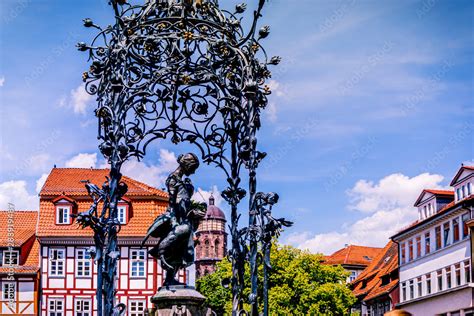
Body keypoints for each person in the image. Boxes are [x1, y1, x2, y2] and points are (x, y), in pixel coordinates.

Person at [143, 153, 206, 286]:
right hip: (176, 221)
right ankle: (169, 278)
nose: (193, 172)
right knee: (174, 252)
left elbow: (183, 204)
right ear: (187, 165)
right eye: (193, 168)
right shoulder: (173, 179)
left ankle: (170, 278)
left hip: (184, 220)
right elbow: (172, 204)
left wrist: (192, 212)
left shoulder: (181, 181)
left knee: (180, 253)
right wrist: (174, 223)